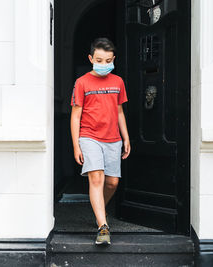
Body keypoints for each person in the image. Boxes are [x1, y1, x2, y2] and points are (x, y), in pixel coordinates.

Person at [70, 37, 131, 245]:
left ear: (113, 59)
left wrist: (126, 137)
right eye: (99, 60)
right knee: (97, 178)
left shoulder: (118, 82)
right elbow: (75, 116)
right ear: (90, 58)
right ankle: (103, 227)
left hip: (113, 139)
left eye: (107, 61)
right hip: (89, 137)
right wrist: (76, 144)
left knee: (112, 183)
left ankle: (99, 212)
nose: (103, 64)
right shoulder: (82, 82)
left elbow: (120, 111)